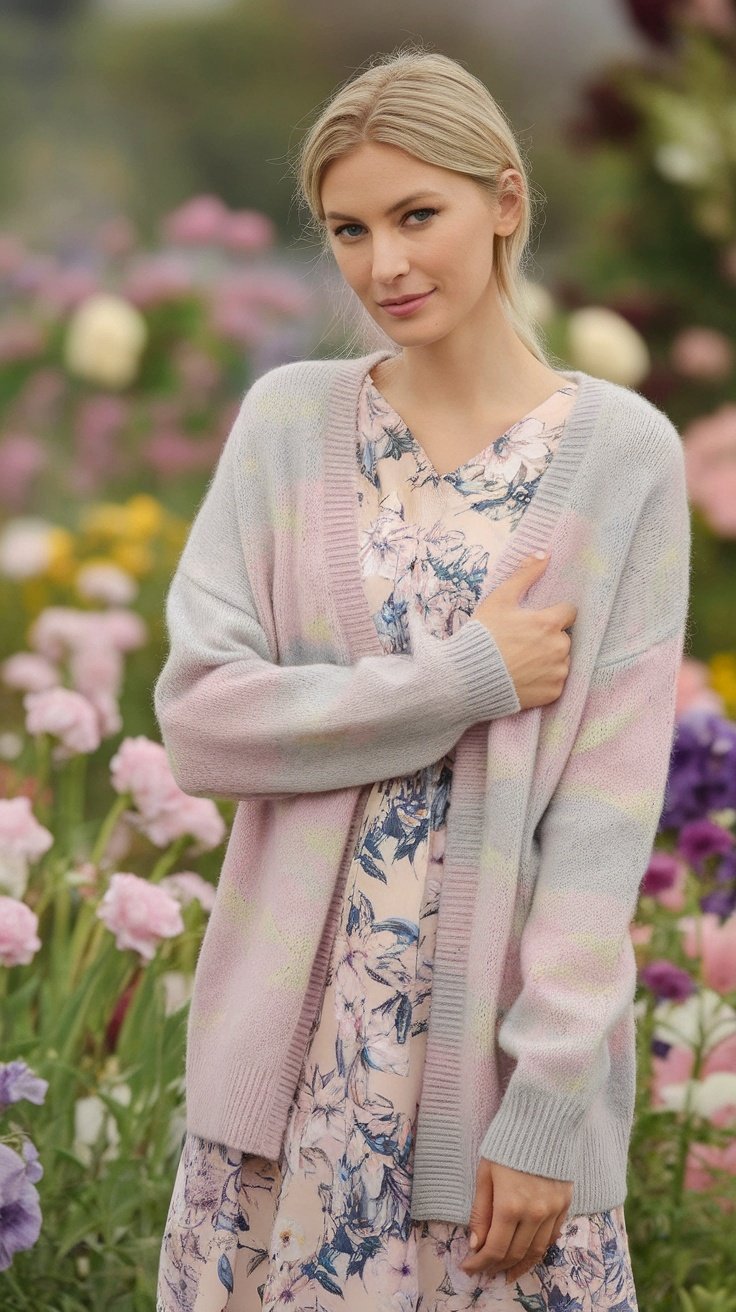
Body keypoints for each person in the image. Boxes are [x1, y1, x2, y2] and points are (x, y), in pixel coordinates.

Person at [155, 44, 690, 1312]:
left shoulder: (623, 459)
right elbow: (201, 721)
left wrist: (546, 1107)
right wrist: (464, 678)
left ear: (504, 200)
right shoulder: (288, 421)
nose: (383, 265)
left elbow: (604, 827)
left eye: (416, 215)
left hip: (486, 1099)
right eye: (348, 228)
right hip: (283, 1103)